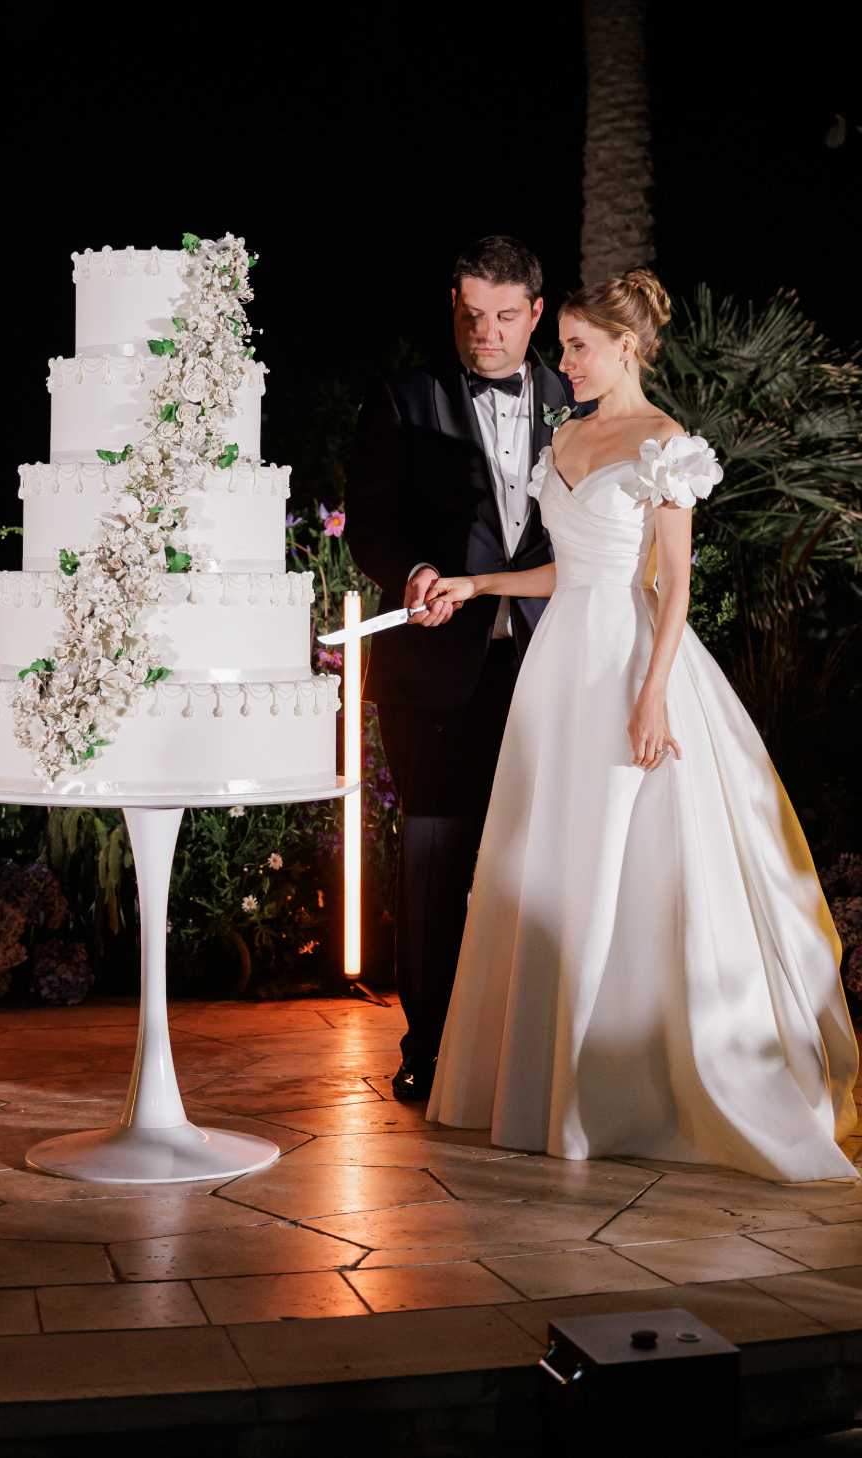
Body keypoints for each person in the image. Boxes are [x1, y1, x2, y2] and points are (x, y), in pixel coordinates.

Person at [424, 268, 858, 1183]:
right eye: (563, 347)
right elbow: (568, 568)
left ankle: (622, 1085)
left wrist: (653, 693)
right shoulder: (566, 436)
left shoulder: (666, 443)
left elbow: (674, 584)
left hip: (630, 658)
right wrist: (477, 583)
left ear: (628, 347)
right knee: (547, 856)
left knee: (628, 853)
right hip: (559, 668)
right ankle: (540, 1080)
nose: (566, 363)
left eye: (580, 347)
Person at [345, 236, 589, 1101]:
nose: (486, 333)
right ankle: (430, 1047)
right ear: (453, 303)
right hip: (436, 669)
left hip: (556, 661)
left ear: (536, 312)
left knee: (549, 859)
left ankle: (528, 1052)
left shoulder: (578, 400)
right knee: (436, 856)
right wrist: (413, 572)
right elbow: (370, 522)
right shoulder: (402, 398)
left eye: (506, 317)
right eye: (472, 314)